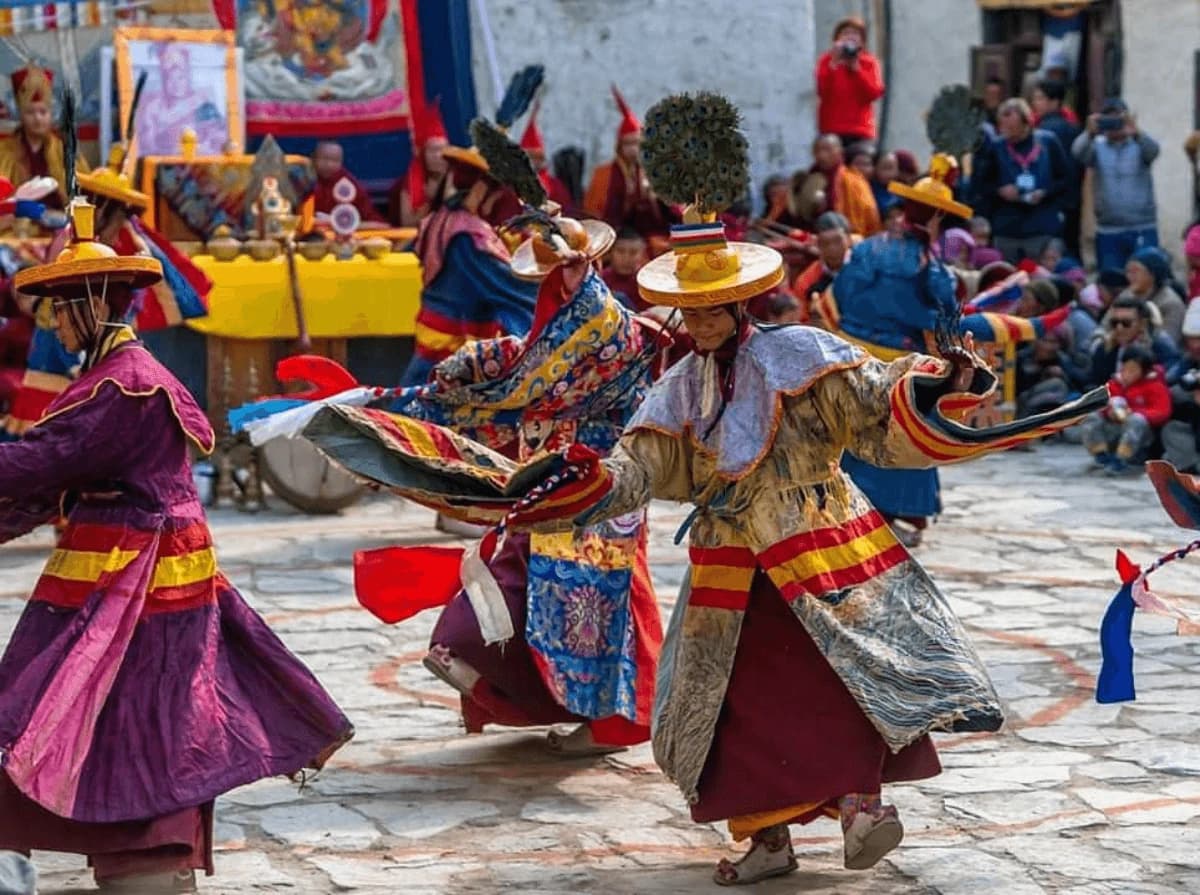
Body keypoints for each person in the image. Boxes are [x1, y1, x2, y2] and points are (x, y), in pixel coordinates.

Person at [515, 161, 1101, 886]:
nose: (697, 322)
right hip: (728, 564)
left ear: (741, 304)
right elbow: (640, 465)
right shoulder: (678, 388)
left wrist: (935, 381)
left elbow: (875, 397)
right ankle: (767, 839)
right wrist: (587, 478)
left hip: (820, 546)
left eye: (710, 308)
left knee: (840, 678)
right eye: (689, 310)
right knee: (730, 705)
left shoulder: (801, 355)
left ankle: (861, 805)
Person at [0, 197, 352, 892]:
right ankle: (135, 863)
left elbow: (43, 461)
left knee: (133, 720)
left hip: (140, 588)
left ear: (94, 303)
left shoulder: (124, 388)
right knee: (115, 716)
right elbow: (58, 482)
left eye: (63, 310)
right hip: (124, 577)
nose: (57, 325)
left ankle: (152, 867)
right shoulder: (114, 380)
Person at [832, 155, 1069, 544]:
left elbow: (841, 295)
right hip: (896, 366)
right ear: (937, 220)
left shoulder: (865, 249)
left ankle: (848, 511)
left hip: (849, 359)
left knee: (851, 436)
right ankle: (888, 516)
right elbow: (945, 322)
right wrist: (1005, 323)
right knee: (907, 438)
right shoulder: (931, 268)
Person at [400, 139, 537, 385]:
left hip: (438, 335)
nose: (496, 201)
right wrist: (555, 285)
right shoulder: (468, 236)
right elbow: (507, 286)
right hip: (453, 342)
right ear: (480, 190)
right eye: (495, 192)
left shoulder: (441, 217)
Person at [973, 98, 1069, 263]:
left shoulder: (1048, 142)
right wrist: (1000, 191)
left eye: (1010, 123)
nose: (1004, 128)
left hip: (1041, 227)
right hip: (1006, 228)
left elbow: (1066, 179)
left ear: (1026, 122)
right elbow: (981, 184)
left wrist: (1044, 192)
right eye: (1002, 123)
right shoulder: (996, 147)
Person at [1073, 98, 1160, 272]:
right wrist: (1088, 133)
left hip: (1142, 227)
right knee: (1111, 282)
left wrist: (1136, 131)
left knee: (1146, 277)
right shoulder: (1097, 146)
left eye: (1118, 118)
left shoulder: (1139, 143)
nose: (1114, 124)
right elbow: (1077, 153)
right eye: (1108, 118)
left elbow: (1154, 151)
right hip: (1108, 229)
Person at [594, 86, 675, 251]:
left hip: (653, 236)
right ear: (619, 146)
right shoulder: (604, 174)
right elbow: (600, 215)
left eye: (637, 143)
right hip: (619, 238)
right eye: (628, 143)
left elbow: (669, 210)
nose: (633, 148)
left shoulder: (653, 171)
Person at [0, 65, 87, 208]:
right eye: (30, 112)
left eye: (43, 112)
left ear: (51, 114)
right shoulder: (4, 152)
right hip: (18, 225)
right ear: (21, 116)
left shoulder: (62, 150)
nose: (37, 118)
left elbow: (83, 192)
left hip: (60, 223)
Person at [1082, 344, 1170, 475]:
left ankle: (1121, 459)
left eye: (1133, 370)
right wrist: (1108, 412)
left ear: (1144, 371)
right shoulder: (1114, 384)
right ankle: (1101, 455)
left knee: (1137, 420)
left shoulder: (1155, 386)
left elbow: (1163, 412)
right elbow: (1102, 403)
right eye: (1124, 369)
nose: (1127, 374)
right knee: (1091, 415)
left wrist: (1135, 413)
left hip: (1139, 436)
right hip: (1114, 429)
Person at [136, 43, 227, 157]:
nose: (176, 84)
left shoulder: (204, 105)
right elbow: (146, 146)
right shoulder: (153, 108)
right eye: (170, 78)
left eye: (181, 77)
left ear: (188, 76)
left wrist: (201, 148)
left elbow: (219, 140)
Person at [1031, 79, 1083, 259]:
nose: (1035, 103)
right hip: (1071, 200)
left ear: (1054, 102)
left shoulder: (1044, 132)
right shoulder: (1074, 128)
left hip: (1050, 200)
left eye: (1040, 98)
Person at [814, 16, 885, 145]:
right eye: (846, 33)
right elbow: (821, 91)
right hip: (831, 129)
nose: (850, 37)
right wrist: (833, 64)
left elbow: (874, 93)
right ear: (837, 39)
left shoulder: (869, 62)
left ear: (862, 41)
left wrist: (856, 69)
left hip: (861, 130)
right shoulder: (826, 61)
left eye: (855, 33)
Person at [1090, 296, 1180, 387]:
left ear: (1142, 324)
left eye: (1126, 323)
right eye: (1114, 322)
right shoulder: (1104, 349)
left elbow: (1169, 380)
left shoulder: (1159, 347)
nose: (1119, 328)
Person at [802, 134, 880, 236]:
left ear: (840, 152)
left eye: (827, 150)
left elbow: (867, 217)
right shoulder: (807, 178)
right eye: (817, 150)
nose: (821, 155)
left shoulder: (853, 181)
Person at [389, 98, 450, 226]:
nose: (438, 156)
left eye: (442, 150)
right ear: (423, 154)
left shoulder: (456, 178)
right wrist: (430, 201)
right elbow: (407, 224)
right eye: (432, 150)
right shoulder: (411, 182)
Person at [1162, 303, 1200, 473]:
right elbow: (1172, 382)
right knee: (1172, 429)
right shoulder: (1189, 360)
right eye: (1192, 338)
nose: (1195, 345)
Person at [310, 140, 385, 225]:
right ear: (313, 158)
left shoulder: (348, 184)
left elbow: (374, 222)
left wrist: (334, 222)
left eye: (335, 160)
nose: (329, 164)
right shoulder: (304, 179)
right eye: (324, 159)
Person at [1123, 247, 1186, 346]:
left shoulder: (1171, 304)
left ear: (1152, 274)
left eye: (1136, 271)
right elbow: (1104, 327)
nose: (1130, 276)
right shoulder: (1126, 295)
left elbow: (1167, 344)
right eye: (1128, 271)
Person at [519, 102, 574, 213]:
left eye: (538, 157)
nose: (533, 161)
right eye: (530, 156)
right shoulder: (511, 184)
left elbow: (567, 212)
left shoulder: (555, 185)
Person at [601, 227, 648, 311]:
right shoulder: (600, 279)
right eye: (620, 251)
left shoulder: (647, 283)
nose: (626, 258)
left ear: (643, 254)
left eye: (633, 252)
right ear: (610, 252)